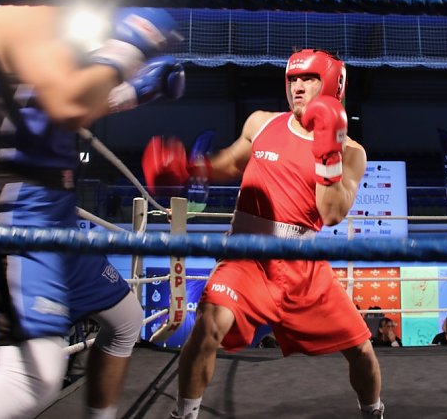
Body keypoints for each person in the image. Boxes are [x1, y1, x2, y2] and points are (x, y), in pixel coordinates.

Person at [0, 0, 185, 419]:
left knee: (125, 319)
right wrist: (133, 43)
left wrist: (137, 90)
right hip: (11, 204)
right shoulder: (21, 13)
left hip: (51, 208)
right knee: (31, 379)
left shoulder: (54, 28)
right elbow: (68, 104)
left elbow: (77, 101)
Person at [143, 48, 385, 419]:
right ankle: (184, 415)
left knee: (361, 350)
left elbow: (332, 213)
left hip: (302, 265)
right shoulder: (262, 123)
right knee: (207, 326)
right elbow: (231, 163)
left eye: (309, 79)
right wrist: (189, 169)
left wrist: (327, 154)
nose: (297, 87)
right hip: (246, 258)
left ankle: (374, 412)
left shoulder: (351, 152)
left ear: (333, 86)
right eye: (292, 79)